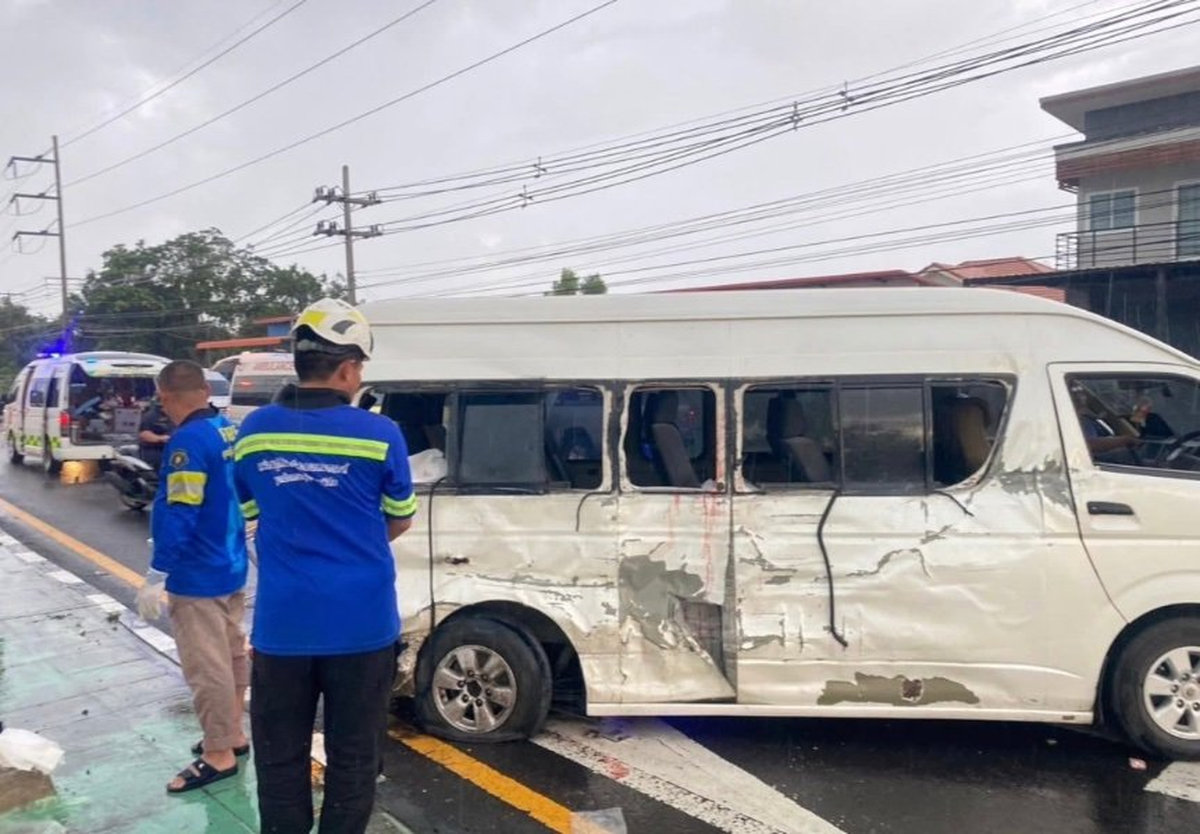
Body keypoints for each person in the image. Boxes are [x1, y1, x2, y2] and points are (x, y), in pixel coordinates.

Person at [234, 298, 416, 834]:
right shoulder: (382, 435)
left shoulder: (253, 433)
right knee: (355, 758)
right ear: (346, 368)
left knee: (280, 760)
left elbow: (253, 516)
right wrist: (354, 540)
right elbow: (400, 519)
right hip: (362, 626)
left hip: (283, 627)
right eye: (359, 366)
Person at [135, 360, 249, 794]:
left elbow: (181, 509)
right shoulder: (228, 430)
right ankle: (233, 735)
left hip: (199, 572)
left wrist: (158, 571)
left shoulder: (186, 443)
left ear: (165, 398)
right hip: (232, 562)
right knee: (232, 654)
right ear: (205, 389)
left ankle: (218, 754)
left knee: (207, 667)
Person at [137, 395, 174, 471]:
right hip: (155, 450)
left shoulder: (175, 415)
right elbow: (144, 434)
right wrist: (160, 438)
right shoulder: (151, 416)